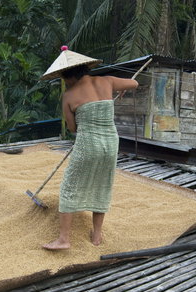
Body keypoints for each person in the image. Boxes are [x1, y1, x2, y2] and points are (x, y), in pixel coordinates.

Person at [40, 48, 138, 250]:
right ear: (85, 67)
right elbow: (134, 83)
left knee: (69, 185)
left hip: (88, 144)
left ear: (66, 76)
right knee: (102, 185)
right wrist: (121, 89)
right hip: (111, 143)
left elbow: (72, 128)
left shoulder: (69, 95)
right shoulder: (107, 81)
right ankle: (97, 236)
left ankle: (64, 239)